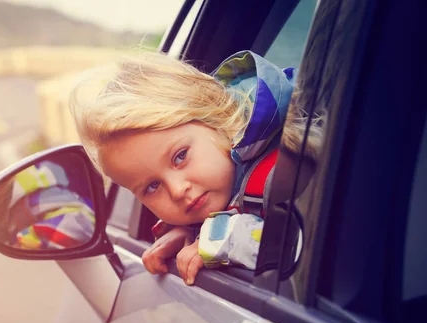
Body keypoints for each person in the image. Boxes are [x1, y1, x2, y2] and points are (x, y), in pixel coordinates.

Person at [69, 50, 298, 285]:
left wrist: (216, 241)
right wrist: (192, 231)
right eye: (152, 186)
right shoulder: (220, 183)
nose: (178, 191)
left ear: (215, 117)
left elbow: (299, 245)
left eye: (180, 157)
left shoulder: (292, 158)